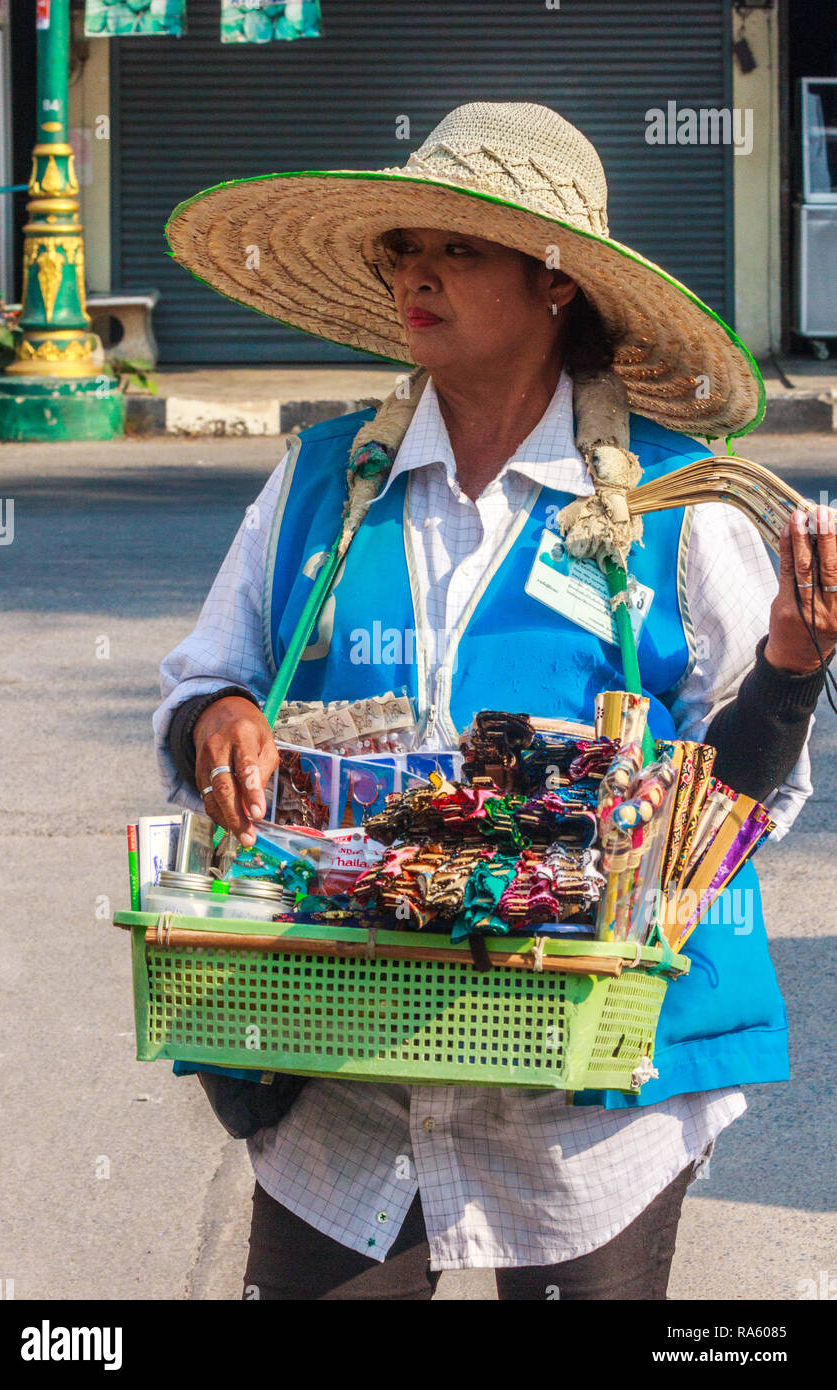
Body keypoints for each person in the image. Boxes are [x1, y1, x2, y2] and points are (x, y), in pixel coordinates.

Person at [155, 103, 836, 1300]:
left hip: (588, 1094)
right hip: (344, 1060)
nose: (415, 273)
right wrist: (214, 720)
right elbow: (201, 680)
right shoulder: (322, 480)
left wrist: (787, 665)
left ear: (556, 282)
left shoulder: (680, 504)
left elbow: (727, 808)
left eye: (457, 250)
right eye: (402, 248)